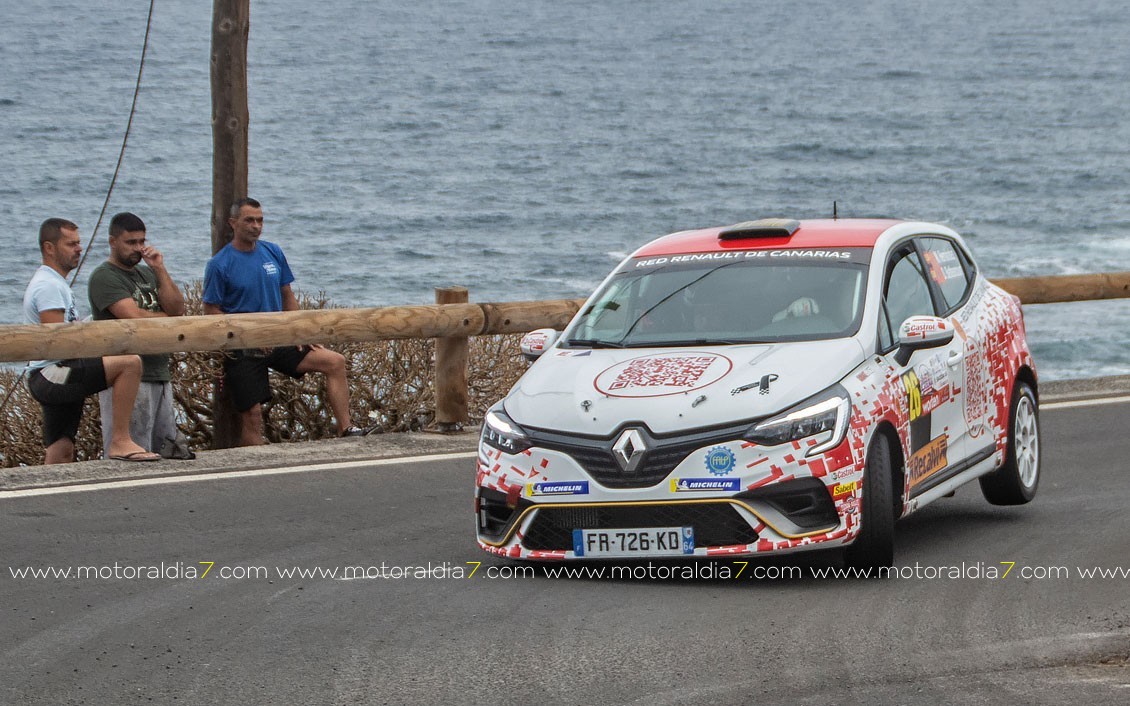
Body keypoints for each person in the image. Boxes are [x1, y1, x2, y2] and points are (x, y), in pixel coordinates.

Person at [202, 198, 369, 446]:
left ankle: (345, 428)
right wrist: (248, 338)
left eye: (260, 220)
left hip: (279, 339)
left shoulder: (273, 252)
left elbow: (287, 294)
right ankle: (255, 469)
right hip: (244, 349)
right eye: (249, 220)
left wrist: (300, 332)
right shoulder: (219, 264)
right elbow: (211, 310)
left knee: (334, 362)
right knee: (253, 415)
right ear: (233, 223)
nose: (256, 226)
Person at [22, 218, 161, 464]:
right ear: (49, 248)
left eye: (79, 243)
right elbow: (57, 342)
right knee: (129, 364)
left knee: (62, 447)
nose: (79, 249)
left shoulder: (55, 283)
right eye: (71, 244)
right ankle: (120, 440)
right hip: (51, 373)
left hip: (54, 372)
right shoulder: (49, 286)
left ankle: (50, 494)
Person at [88, 212, 190, 459]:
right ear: (113, 242)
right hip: (127, 377)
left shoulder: (147, 274)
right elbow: (133, 317)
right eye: (130, 242)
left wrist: (159, 269)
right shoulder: (104, 276)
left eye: (141, 242)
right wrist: (167, 320)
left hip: (159, 371)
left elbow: (178, 309)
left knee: (166, 450)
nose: (138, 248)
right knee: (132, 453)